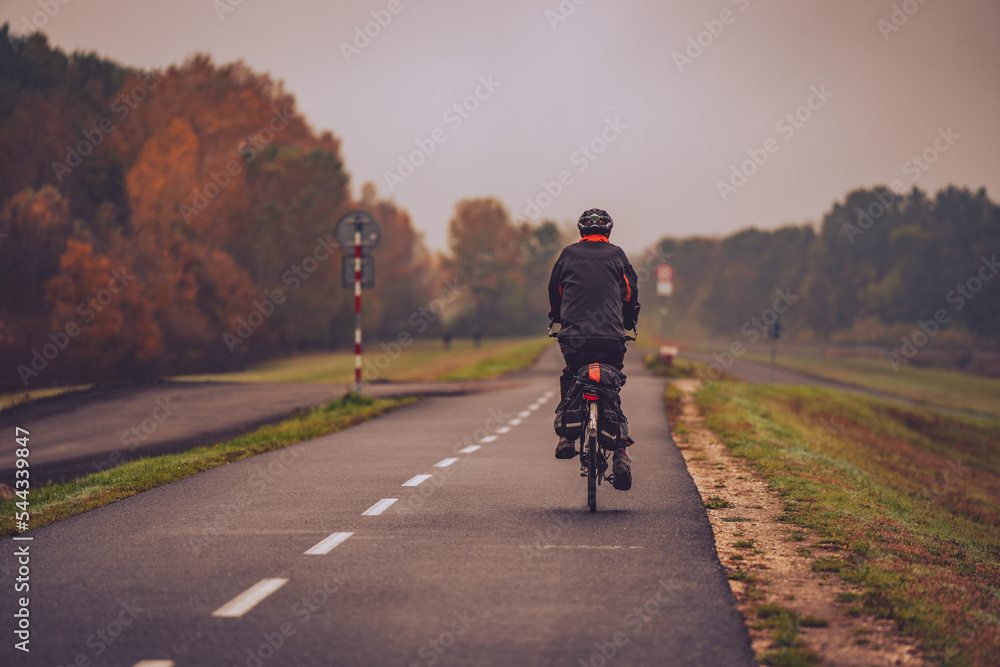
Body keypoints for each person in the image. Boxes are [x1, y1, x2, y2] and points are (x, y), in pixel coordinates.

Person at [548, 209, 640, 491]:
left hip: (574, 339)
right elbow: (630, 294)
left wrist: (558, 317)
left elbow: (556, 291)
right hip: (611, 340)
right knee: (611, 387)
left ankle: (568, 438)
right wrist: (628, 322)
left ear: (581, 232)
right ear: (608, 232)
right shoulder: (618, 256)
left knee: (572, 374)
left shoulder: (566, 255)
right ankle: (621, 454)